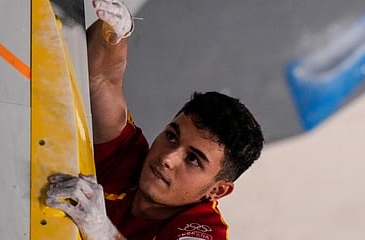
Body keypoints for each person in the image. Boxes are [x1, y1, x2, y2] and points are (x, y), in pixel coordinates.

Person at [45, 1, 264, 239]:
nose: (167, 158)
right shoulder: (127, 156)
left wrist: (101, 230)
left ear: (217, 190)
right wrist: (116, 31)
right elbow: (101, 79)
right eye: (171, 136)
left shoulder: (202, 230)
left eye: (192, 159)